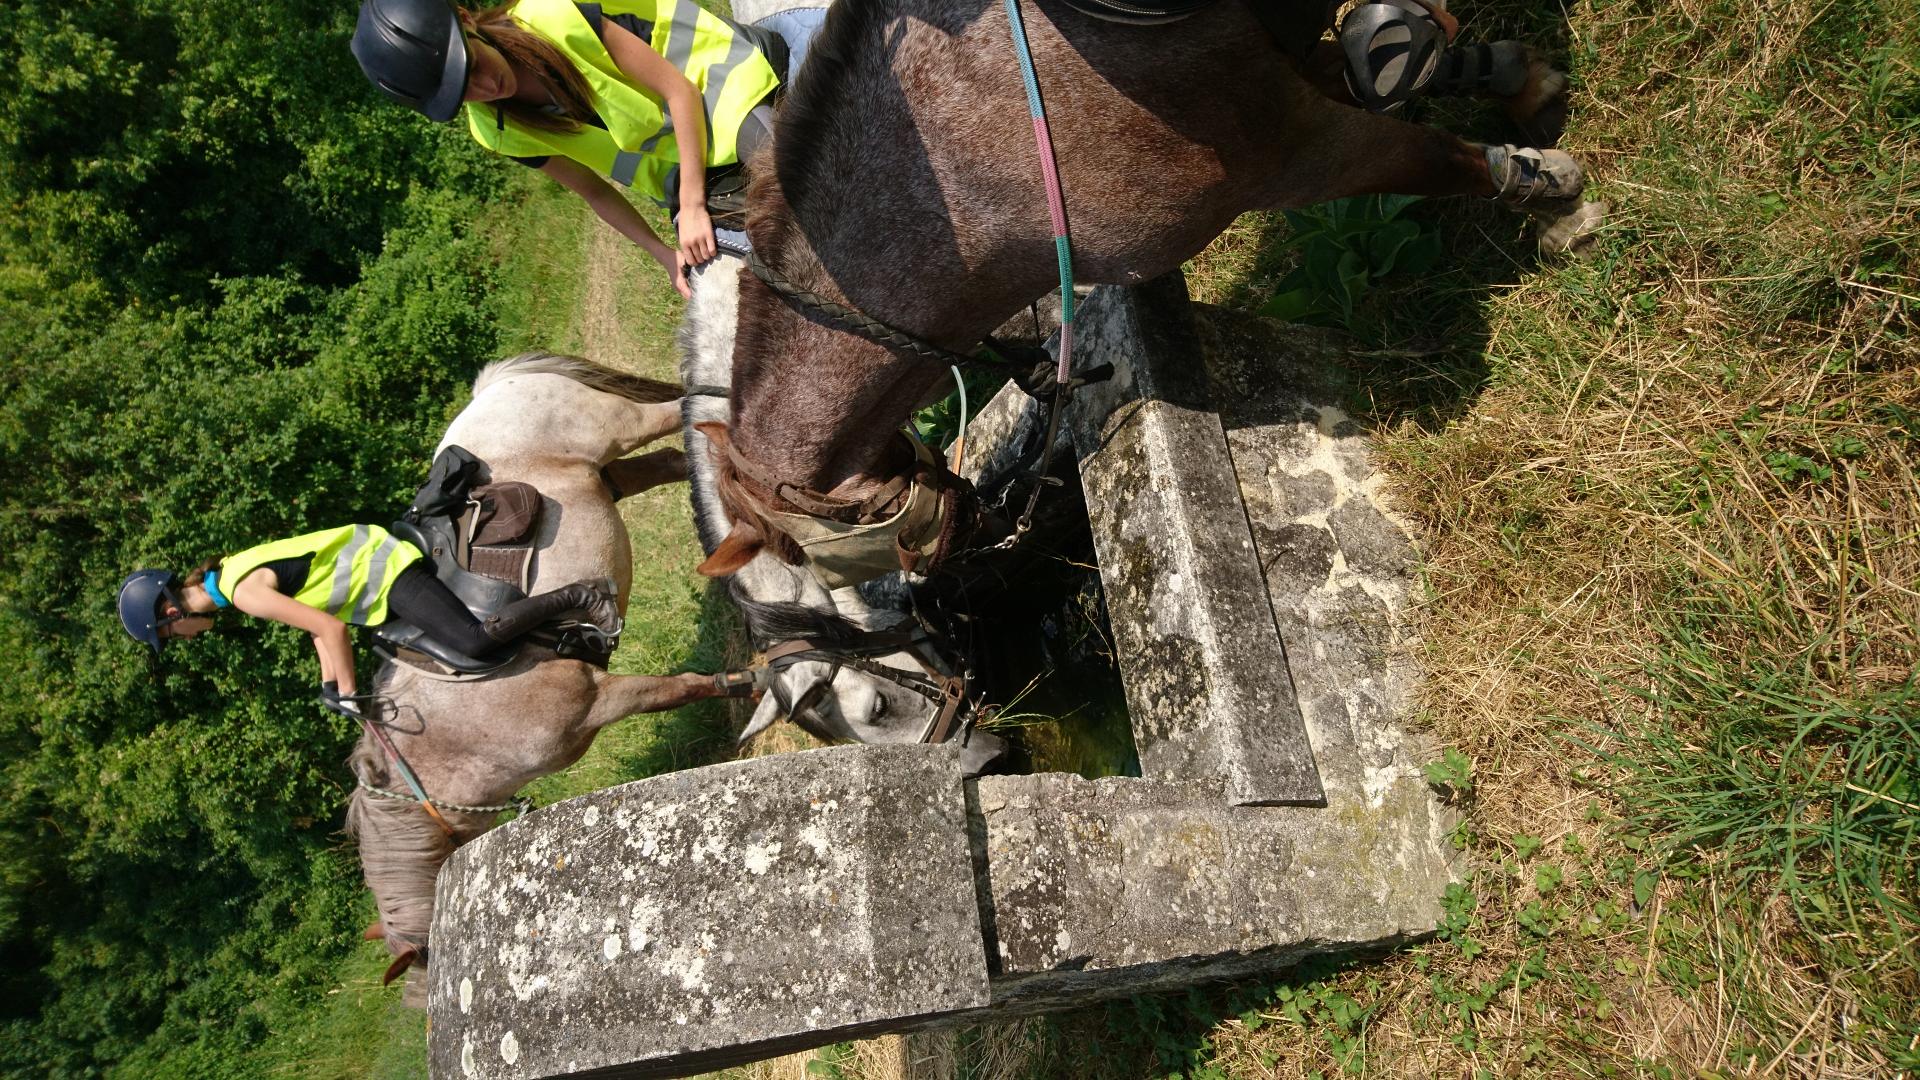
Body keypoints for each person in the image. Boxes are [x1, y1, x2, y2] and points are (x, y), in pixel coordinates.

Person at [352, 0, 787, 297]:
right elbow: (595, 193)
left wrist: (692, 204)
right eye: (464, 92)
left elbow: (680, 92)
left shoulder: (554, 13)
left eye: (475, 67)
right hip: (685, 169)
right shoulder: (495, 131)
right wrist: (665, 256)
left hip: (720, 91)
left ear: (466, 19)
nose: (486, 89)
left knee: (800, 179)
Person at [117, 524, 625, 704]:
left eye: (172, 634)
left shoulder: (242, 592)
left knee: (473, 641)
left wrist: (350, 693)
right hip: (370, 571)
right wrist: (328, 685)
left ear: (170, 611)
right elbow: (316, 619)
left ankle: (582, 595)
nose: (183, 638)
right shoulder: (230, 576)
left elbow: (330, 628)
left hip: (381, 571)